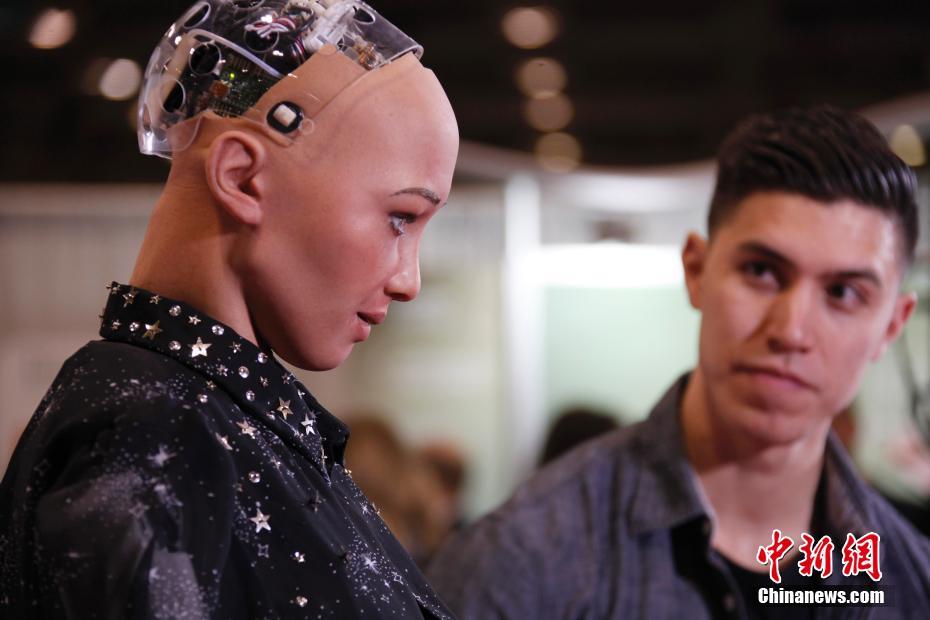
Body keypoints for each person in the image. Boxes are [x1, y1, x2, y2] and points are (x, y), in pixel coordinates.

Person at [0, 0, 458, 617]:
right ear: (241, 177)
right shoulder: (157, 433)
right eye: (400, 217)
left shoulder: (206, 422)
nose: (409, 282)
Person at [426, 105, 930, 618]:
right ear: (696, 271)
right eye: (761, 271)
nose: (791, 330)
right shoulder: (518, 565)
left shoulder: (913, 584)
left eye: (843, 292)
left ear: (892, 325)